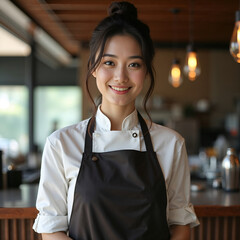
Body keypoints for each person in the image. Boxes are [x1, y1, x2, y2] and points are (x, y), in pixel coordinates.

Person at [33, 2, 199, 240]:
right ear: (93, 67)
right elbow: (50, 229)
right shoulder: (61, 144)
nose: (120, 77)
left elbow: (180, 225)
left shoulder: (172, 144)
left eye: (134, 64)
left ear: (146, 71)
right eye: (109, 63)